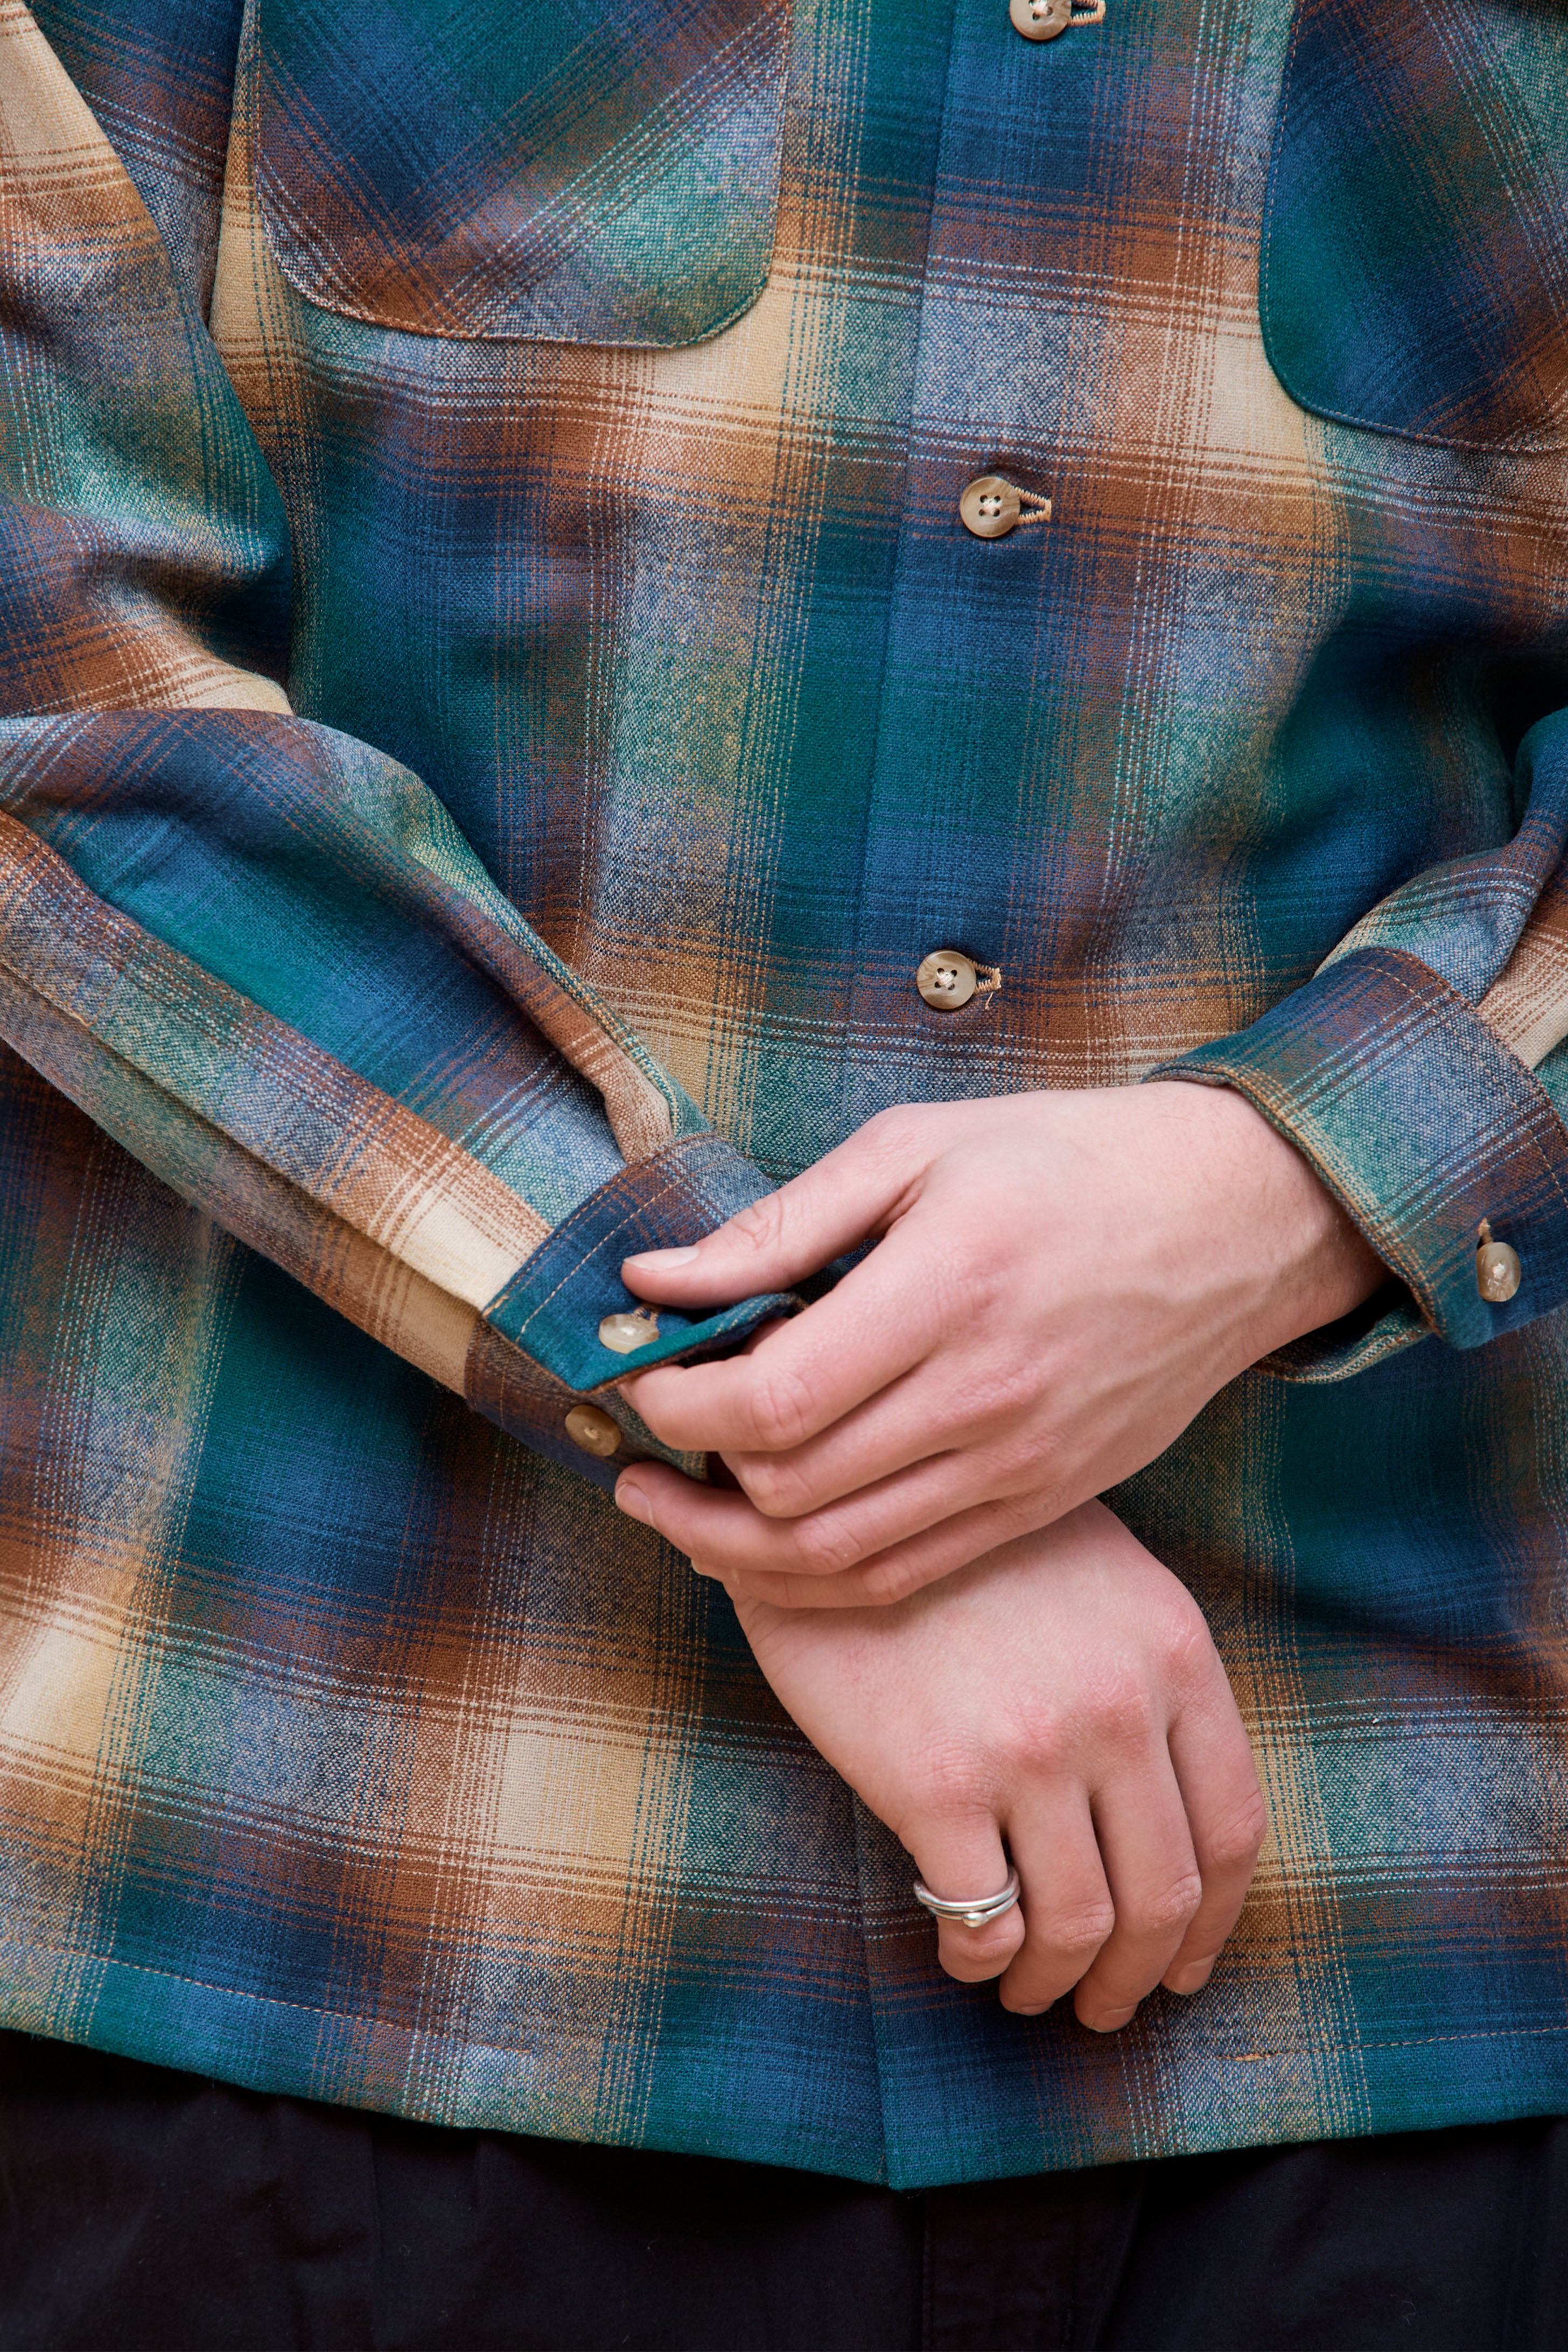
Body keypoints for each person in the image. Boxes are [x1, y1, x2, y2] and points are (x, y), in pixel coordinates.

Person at [1, 0, 1566, 2342]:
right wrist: (781, 1400)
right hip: (328, 1915)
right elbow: (56, 681)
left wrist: (1307, 1182)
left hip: (1401, 1968)